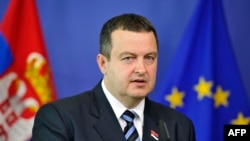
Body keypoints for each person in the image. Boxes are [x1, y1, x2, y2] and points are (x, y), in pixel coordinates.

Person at [32, 13, 196, 141]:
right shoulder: (60, 119)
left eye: (149, 58)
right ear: (103, 63)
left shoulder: (178, 126)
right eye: (128, 58)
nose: (141, 69)